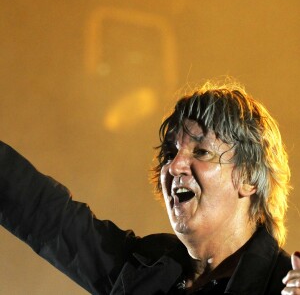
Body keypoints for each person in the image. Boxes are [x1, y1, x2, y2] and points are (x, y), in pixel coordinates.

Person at [0, 79, 299, 294]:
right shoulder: (149, 265)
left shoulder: (283, 284)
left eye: (201, 152)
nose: (173, 166)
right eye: (170, 154)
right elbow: (48, 218)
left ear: (248, 177)